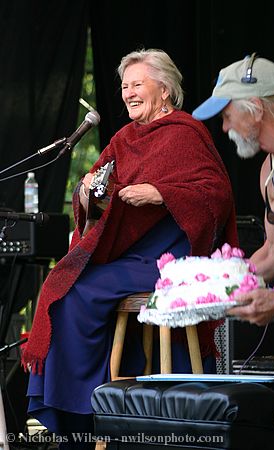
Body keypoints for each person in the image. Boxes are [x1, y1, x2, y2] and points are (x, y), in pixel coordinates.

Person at [22, 48, 238, 448]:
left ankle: (84, 410)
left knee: (76, 293)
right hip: (129, 257)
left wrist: (162, 193)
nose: (128, 93)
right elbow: (97, 192)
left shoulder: (187, 132)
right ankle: (86, 409)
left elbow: (217, 195)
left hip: (171, 261)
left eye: (137, 84)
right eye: (124, 86)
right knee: (61, 285)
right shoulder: (124, 138)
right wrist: (87, 191)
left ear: (166, 89)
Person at [192, 52, 274, 381]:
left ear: (254, 107)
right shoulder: (271, 171)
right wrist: (216, 288)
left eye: (226, 115)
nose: (223, 128)